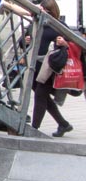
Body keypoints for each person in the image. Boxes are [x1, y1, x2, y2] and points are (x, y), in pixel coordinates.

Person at [31, 8, 75, 137]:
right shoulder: (35, 23)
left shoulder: (58, 25)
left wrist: (64, 43)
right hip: (35, 67)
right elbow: (25, 42)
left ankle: (34, 128)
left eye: (46, 12)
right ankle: (63, 124)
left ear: (52, 12)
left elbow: (73, 42)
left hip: (50, 68)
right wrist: (26, 41)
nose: (43, 14)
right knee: (43, 97)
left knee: (40, 95)